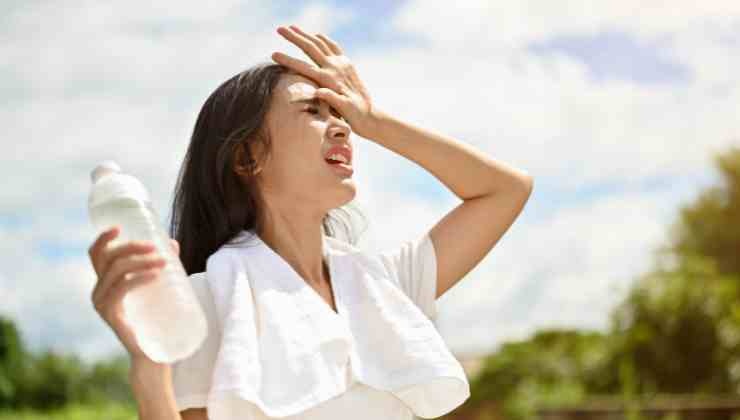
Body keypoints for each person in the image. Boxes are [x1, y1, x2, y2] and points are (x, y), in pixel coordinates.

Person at [88, 24, 533, 420]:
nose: (342, 127)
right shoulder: (206, 302)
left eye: (340, 114)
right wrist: (149, 372)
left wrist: (376, 122)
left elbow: (506, 190)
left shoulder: (384, 288)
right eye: (313, 112)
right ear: (248, 156)